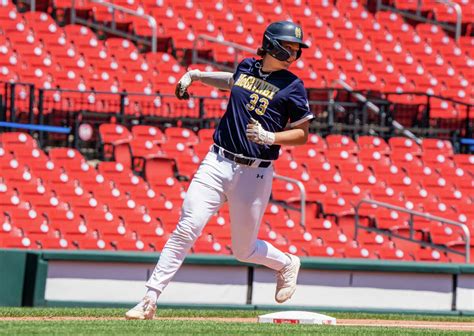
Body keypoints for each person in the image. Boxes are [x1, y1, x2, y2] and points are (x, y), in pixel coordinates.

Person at [125, 21, 314, 320]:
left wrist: (271, 137)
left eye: (296, 49)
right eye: (289, 47)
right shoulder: (246, 67)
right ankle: (150, 298)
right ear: (272, 44)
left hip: (256, 172)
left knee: (244, 250)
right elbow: (233, 81)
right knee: (187, 227)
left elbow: (303, 133)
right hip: (217, 161)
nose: (294, 53)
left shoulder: (292, 85)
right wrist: (197, 76)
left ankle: (287, 263)